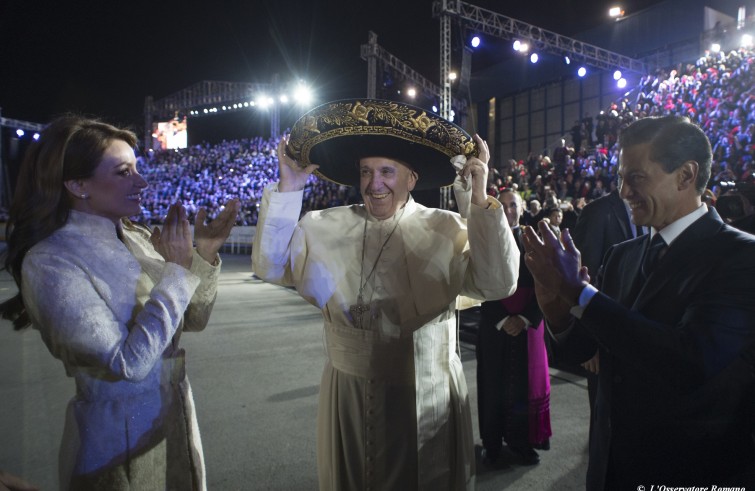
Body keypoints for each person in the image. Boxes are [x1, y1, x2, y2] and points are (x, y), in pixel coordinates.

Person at [252, 99, 520, 490]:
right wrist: (289, 189)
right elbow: (271, 266)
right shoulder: (323, 226)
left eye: (386, 172)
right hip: (348, 393)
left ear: (411, 178)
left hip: (425, 390)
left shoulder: (447, 228)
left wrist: (478, 202)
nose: (374, 183)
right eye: (366, 172)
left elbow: (499, 284)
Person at [0, 115, 239, 490]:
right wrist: (176, 271)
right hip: (116, 439)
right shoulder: (50, 261)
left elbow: (190, 320)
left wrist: (203, 254)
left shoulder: (137, 238)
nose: (141, 182)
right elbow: (128, 363)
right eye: (123, 172)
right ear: (78, 184)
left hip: (174, 417)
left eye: (137, 170)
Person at [522, 115, 755, 488]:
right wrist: (556, 308)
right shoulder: (622, 255)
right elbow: (586, 350)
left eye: (636, 178)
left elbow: (689, 363)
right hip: (611, 468)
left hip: (693, 470)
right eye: (620, 178)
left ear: (685, 175)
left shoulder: (740, 257)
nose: (624, 191)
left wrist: (580, 294)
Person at [475, 189, 549, 468]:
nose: (508, 210)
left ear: (522, 208)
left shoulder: (536, 242)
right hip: (495, 326)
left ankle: (522, 443)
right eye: (502, 205)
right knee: (492, 386)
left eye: (513, 205)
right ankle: (491, 444)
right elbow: (477, 283)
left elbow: (546, 285)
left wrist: (526, 319)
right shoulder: (483, 240)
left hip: (527, 327)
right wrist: (504, 319)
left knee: (523, 390)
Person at [570, 188, 646, 417]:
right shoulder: (598, 211)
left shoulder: (653, 209)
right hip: (606, 336)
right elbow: (584, 277)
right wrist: (591, 340)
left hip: (642, 333)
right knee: (607, 419)